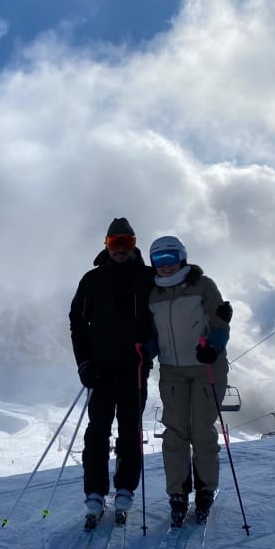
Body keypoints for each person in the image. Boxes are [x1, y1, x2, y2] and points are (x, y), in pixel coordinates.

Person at [69, 218, 155, 528]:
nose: (120, 249)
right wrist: (84, 364)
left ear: (134, 244)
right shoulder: (92, 281)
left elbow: (168, 307)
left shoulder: (149, 278)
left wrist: (149, 351)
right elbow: (77, 323)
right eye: (114, 243)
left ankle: (125, 489)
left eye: (126, 243)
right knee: (97, 434)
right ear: (106, 245)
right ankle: (95, 492)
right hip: (101, 371)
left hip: (134, 369)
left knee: (130, 432)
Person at [147, 235, 232, 526]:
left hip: (206, 366)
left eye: (171, 259)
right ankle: (178, 493)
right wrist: (144, 352)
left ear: (182, 258)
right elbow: (152, 335)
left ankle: (206, 490)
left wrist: (214, 345)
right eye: (159, 261)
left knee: (202, 431)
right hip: (171, 369)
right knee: (175, 434)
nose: (166, 267)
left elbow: (220, 321)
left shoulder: (203, 285)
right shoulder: (153, 293)